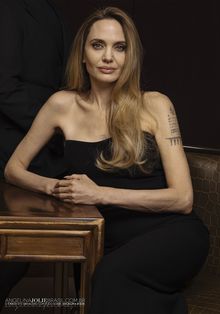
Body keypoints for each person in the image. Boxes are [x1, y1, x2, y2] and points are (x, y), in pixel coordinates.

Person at [4, 6, 209, 314]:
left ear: (130, 56)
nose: (108, 57)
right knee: (105, 277)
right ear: (83, 54)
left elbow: (183, 199)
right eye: (98, 45)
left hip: (171, 233)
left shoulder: (155, 104)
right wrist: (56, 187)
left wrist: (98, 194)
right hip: (103, 240)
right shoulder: (62, 105)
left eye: (120, 47)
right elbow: (13, 169)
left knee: (109, 277)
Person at [0, 0, 71, 310]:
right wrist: (53, 127)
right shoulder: (8, 8)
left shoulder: (53, 10)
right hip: (15, 147)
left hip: (49, 150)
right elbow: (4, 88)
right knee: (14, 256)